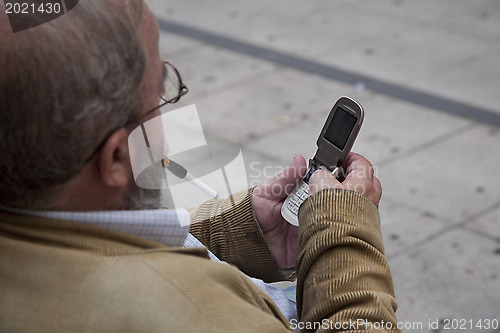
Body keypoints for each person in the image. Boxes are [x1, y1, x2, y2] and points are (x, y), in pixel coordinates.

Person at [0, 0, 400, 332]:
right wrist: (345, 237)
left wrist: (243, 234)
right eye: (160, 92)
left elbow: (99, 245)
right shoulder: (201, 316)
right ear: (118, 158)